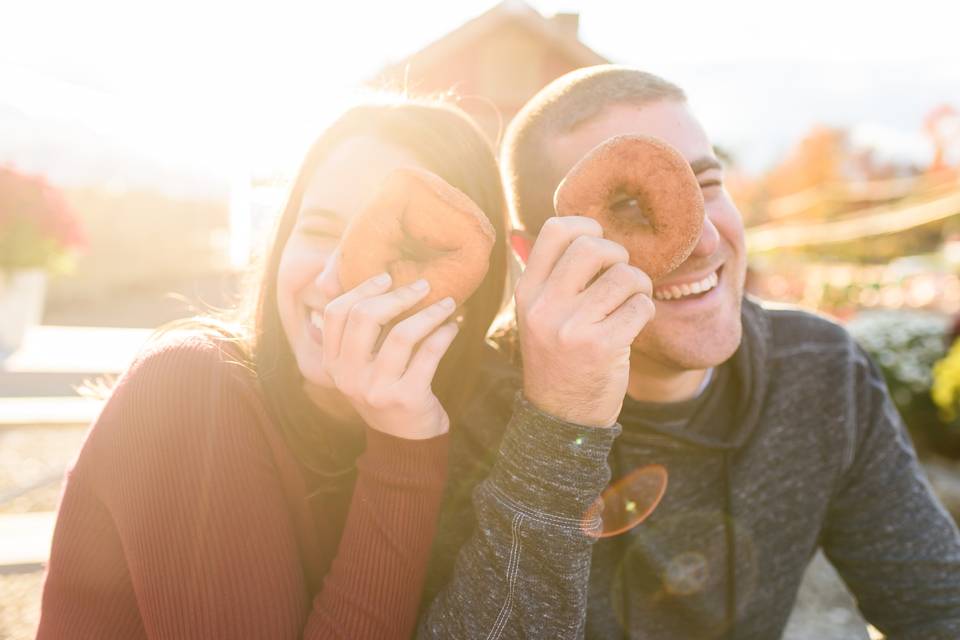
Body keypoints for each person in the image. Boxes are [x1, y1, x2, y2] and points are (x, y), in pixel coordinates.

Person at [416, 65, 960, 639]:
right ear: (534, 254)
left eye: (706, 185)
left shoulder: (818, 373)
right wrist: (557, 424)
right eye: (627, 205)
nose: (701, 240)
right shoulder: (463, 406)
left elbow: (937, 609)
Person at [36, 95, 509, 639]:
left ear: (472, 292)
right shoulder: (191, 389)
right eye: (321, 230)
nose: (336, 278)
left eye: (404, 247)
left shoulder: (482, 430)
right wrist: (404, 446)